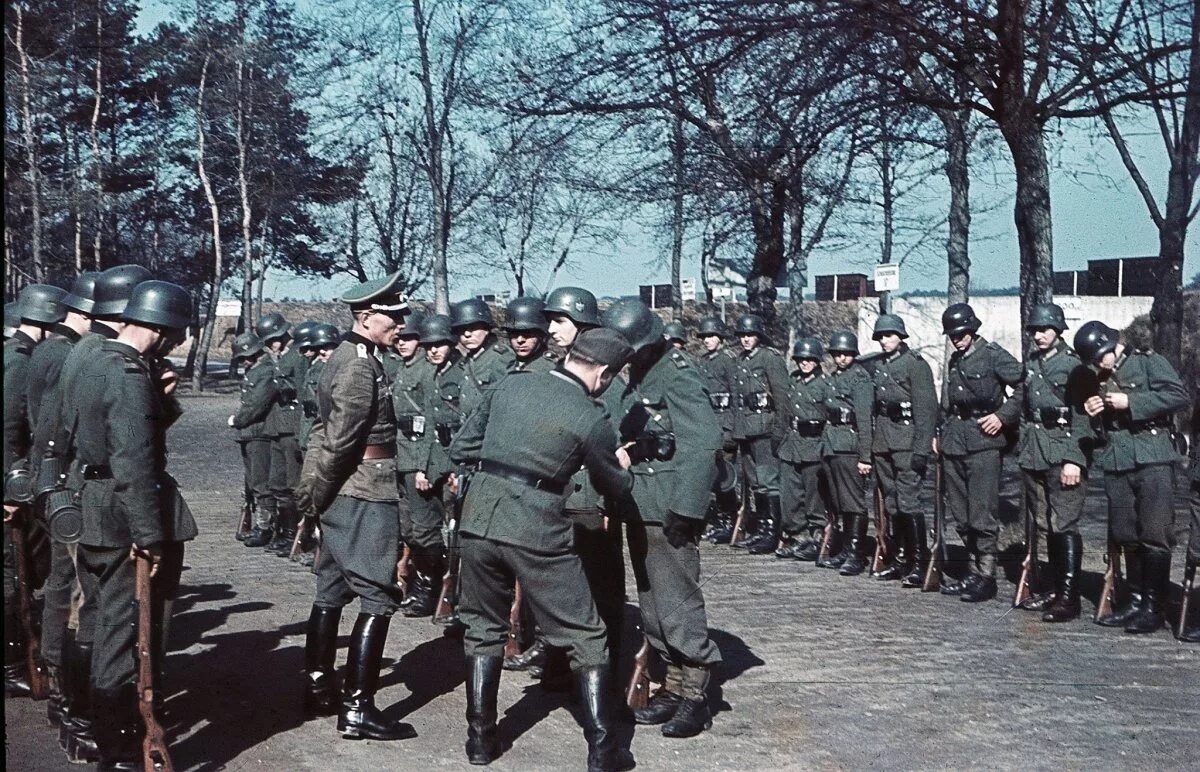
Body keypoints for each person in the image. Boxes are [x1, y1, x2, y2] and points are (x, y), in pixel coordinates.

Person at [449, 328, 636, 771]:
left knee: (481, 626)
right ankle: (604, 750)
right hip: (537, 527)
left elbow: (463, 447)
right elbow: (612, 482)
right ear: (604, 374)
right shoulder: (591, 415)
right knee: (585, 634)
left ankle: (480, 741)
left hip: (478, 519)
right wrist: (622, 465)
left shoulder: (512, 383)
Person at [70, 280, 198, 770]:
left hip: (95, 509)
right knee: (127, 637)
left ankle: (101, 736)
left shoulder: (93, 358)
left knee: (103, 624)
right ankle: (121, 753)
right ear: (164, 330)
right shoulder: (126, 375)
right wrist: (148, 536)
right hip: (125, 520)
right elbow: (134, 462)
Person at [295, 272, 416, 740]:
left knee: (331, 587)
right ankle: (358, 708)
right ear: (366, 317)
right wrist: (315, 496)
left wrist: (317, 497)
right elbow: (340, 440)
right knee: (377, 594)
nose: (400, 325)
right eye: (393, 317)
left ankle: (320, 685)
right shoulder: (359, 366)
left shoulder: (353, 357)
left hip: (346, 489)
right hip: (363, 489)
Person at [44, 263, 151, 762]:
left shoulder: (87, 351)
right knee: (108, 623)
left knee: (88, 616)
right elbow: (127, 448)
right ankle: (104, 733)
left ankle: (80, 717)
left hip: (82, 494)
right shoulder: (111, 361)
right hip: (104, 502)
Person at [605, 299, 722, 739]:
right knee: (653, 602)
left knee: (678, 600)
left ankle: (696, 694)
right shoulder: (637, 374)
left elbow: (703, 443)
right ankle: (672, 685)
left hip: (671, 504)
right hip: (642, 502)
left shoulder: (677, 373)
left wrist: (686, 509)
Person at [1076, 321, 1189, 634]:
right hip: (1118, 460)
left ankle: (1154, 606)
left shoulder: (1147, 361)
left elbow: (1178, 395)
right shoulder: (1097, 378)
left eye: (1102, 356)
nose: (1100, 363)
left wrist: (1133, 403)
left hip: (1153, 456)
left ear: (1112, 345)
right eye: (1095, 360)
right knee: (1126, 533)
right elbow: (1098, 430)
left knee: (1155, 531)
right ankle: (1135, 600)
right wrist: (1093, 412)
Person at [25, 273, 95, 727]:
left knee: (63, 584)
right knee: (66, 587)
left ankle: (59, 676)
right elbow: (50, 429)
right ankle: (59, 678)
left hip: (58, 479)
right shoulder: (61, 355)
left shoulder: (57, 351)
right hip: (64, 482)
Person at [935, 304, 1024, 602]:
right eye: (952, 335)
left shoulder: (993, 355)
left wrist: (1003, 416)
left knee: (982, 512)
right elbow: (950, 403)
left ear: (973, 330)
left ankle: (987, 575)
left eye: (961, 333)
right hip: (955, 441)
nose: (957, 339)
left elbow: (1025, 385)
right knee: (960, 513)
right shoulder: (955, 361)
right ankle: (973, 571)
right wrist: (941, 433)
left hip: (985, 441)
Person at [4, 283, 67, 700]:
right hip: (10, 485)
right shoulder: (19, 361)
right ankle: (10, 668)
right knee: (12, 576)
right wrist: (10, 488)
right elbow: (9, 429)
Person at [1015, 303, 1094, 622]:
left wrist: (1075, 459)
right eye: (1033, 330)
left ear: (1059, 330)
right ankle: (1053, 588)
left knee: (1064, 523)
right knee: (1045, 523)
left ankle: (1069, 597)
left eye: (1044, 329)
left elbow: (1083, 416)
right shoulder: (1032, 361)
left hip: (1063, 453)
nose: (1038, 335)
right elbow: (1023, 405)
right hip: (1035, 451)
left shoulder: (1074, 366)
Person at [869, 314, 937, 584]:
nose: (885, 341)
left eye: (889, 335)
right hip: (884, 442)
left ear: (901, 336)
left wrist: (922, 449)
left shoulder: (915, 365)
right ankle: (900, 559)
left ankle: (919, 563)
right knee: (892, 503)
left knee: (909, 502)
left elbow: (927, 409)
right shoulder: (880, 365)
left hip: (907, 442)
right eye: (881, 337)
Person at [386, 312, 439, 617]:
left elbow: (431, 421)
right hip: (402, 454)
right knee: (409, 528)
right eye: (400, 338)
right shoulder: (403, 369)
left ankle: (430, 588)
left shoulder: (427, 370)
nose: (403, 343)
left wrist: (424, 466)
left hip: (419, 455)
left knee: (424, 528)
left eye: (409, 338)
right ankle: (420, 583)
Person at [413, 313, 460, 622]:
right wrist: (422, 468)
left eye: (439, 344)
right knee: (426, 533)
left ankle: (457, 601)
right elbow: (428, 428)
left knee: (459, 538)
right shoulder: (434, 376)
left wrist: (455, 468)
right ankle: (433, 589)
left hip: (456, 465)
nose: (433, 351)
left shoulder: (459, 375)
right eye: (428, 346)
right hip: (436, 462)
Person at [729, 313, 788, 549]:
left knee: (768, 481)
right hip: (747, 429)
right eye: (742, 335)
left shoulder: (770, 359)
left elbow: (782, 397)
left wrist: (779, 430)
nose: (745, 339)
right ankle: (762, 528)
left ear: (759, 336)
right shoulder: (740, 361)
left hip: (765, 428)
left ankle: (773, 532)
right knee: (755, 482)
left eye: (750, 335)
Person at [769, 337, 830, 559]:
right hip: (791, 444)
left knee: (814, 496)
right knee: (790, 495)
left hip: (814, 445)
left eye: (809, 359)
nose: (804, 363)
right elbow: (784, 412)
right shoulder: (793, 380)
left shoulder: (825, 384)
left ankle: (817, 538)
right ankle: (798, 536)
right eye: (800, 359)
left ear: (817, 361)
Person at [820, 331, 875, 575]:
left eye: (845, 353)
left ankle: (856, 553)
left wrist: (865, 457)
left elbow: (864, 419)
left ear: (853, 354)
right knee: (839, 501)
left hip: (849, 446)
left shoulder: (860, 379)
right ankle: (844, 549)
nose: (841, 357)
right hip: (832, 443)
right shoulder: (834, 377)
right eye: (837, 354)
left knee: (853, 501)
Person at [258, 313, 307, 554]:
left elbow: (302, 388)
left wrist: (278, 384)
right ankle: (284, 531)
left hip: (292, 424)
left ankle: (295, 535)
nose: (270, 346)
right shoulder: (280, 356)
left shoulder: (298, 355)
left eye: (272, 340)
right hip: (277, 426)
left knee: (292, 483)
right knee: (277, 482)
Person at [228, 332, 278, 549]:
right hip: (250, 433)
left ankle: (265, 527)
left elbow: (256, 404)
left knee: (260, 482)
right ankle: (261, 524)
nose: (244, 361)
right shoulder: (255, 370)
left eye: (247, 356)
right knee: (252, 481)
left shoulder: (265, 371)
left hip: (259, 432)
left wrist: (237, 420)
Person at [692, 316, 739, 544]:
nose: (708, 340)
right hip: (709, 422)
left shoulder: (727, 362)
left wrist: (733, 426)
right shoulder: (702, 362)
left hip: (725, 422)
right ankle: (720, 520)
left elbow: (737, 395)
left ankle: (730, 520)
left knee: (725, 474)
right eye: (705, 337)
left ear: (720, 338)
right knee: (711, 474)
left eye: (712, 336)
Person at [450, 298, 513, 420]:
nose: (467, 334)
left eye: (473, 328)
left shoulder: (499, 357)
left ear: (486, 329)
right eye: (462, 329)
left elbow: (509, 403)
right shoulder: (469, 360)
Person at [503, 297, 556, 373]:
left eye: (528, 333)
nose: (520, 340)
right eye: (514, 333)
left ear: (542, 335)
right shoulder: (503, 365)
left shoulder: (550, 370)